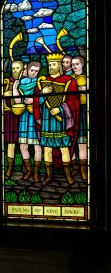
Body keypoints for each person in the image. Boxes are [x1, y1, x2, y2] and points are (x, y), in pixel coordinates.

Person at [34, 51, 79, 186]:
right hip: (47, 120)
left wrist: (60, 109)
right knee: (47, 148)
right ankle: (49, 176)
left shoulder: (69, 82)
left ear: (60, 65)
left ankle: (68, 175)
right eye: (49, 64)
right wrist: (42, 93)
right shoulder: (42, 82)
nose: (50, 67)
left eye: (53, 64)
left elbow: (74, 101)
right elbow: (37, 102)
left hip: (62, 121)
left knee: (64, 148)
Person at [14, 60, 43, 181]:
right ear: (28, 70)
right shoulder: (22, 82)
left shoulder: (40, 82)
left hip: (36, 116)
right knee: (23, 145)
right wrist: (15, 87)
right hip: (24, 116)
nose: (34, 73)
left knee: (37, 145)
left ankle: (36, 172)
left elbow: (43, 99)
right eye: (32, 70)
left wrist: (34, 100)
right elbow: (17, 101)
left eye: (36, 71)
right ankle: (29, 170)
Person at [2, 59, 25, 177]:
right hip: (10, 118)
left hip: (25, 117)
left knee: (25, 143)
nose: (14, 70)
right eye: (13, 68)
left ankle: (26, 167)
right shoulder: (7, 81)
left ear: (22, 70)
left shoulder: (25, 82)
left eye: (17, 68)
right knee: (11, 142)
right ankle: (10, 168)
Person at [70, 54, 88, 181]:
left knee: (82, 143)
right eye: (72, 64)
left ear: (82, 64)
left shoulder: (87, 77)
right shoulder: (69, 78)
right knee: (70, 142)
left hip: (82, 110)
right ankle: (74, 167)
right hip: (70, 111)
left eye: (76, 64)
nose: (74, 66)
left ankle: (83, 170)